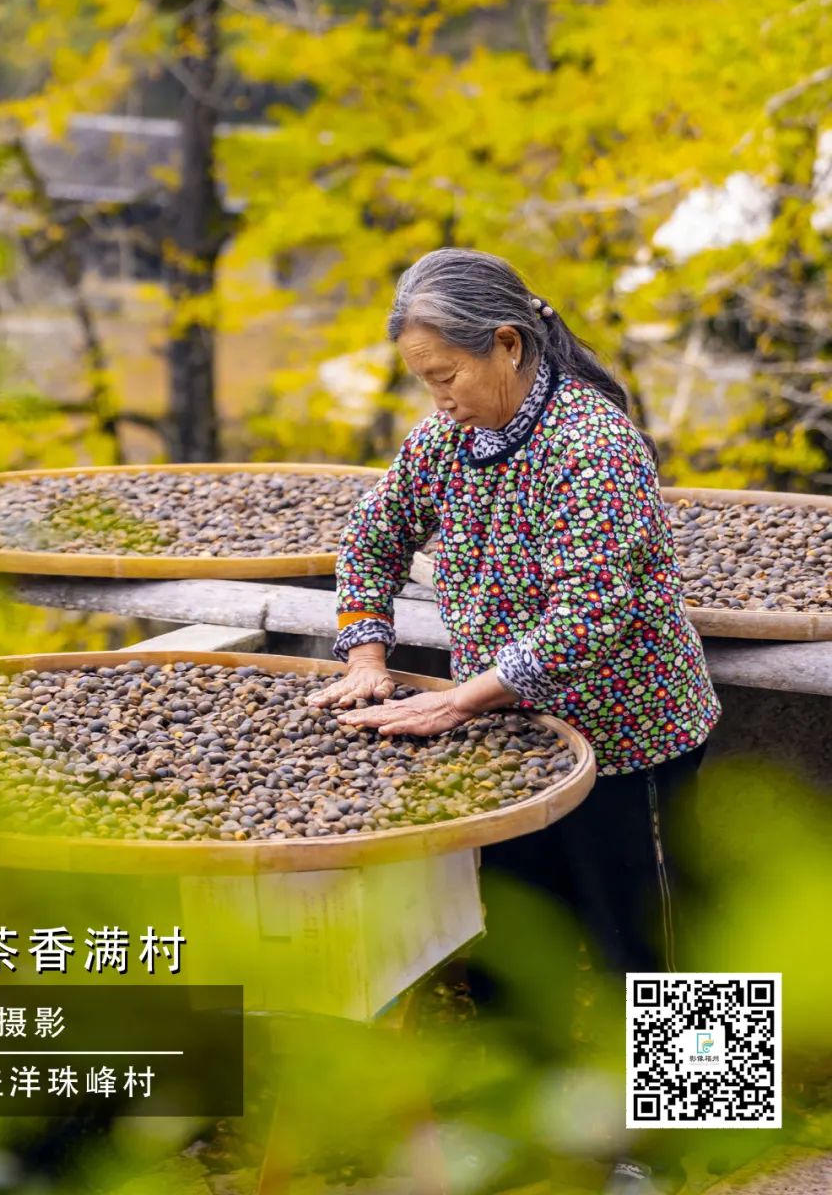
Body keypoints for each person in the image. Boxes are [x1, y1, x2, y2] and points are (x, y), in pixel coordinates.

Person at [306, 247, 720, 1193]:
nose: (438, 397)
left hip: (631, 732)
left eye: (446, 376)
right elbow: (368, 544)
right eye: (424, 382)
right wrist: (367, 658)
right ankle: (524, 1128)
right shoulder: (441, 445)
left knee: (654, 945)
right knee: (519, 931)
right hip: (518, 743)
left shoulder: (592, 445)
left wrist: (459, 696)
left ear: (506, 344)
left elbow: (592, 614)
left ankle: (689, 1156)